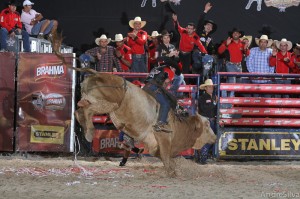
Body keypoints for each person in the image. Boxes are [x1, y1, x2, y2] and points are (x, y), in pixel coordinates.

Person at [143, 66, 177, 132]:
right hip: (153, 88)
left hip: (146, 87)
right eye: (174, 69)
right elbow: (166, 81)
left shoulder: (156, 68)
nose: (174, 71)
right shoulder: (168, 71)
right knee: (165, 104)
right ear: (171, 67)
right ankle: (161, 123)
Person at [218, 28, 250, 97]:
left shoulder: (242, 43)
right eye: (234, 33)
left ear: (239, 34)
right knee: (232, 82)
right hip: (230, 64)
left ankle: (227, 97)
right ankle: (230, 100)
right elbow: (220, 51)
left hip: (239, 65)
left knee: (237, 83)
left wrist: (246, 48)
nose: (235, 34)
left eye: (237, 33)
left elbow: (247, 54)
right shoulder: (227, 42)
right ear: (232, 34)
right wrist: (226, 44)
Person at [155, 30, 184, 96]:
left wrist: (176, 56)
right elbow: (157, 58)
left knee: (181, 79)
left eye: (168, 37)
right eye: (165, 38)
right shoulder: (158, 47)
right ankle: (172, 94)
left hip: (172, 68)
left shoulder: (172, 47)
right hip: (163, 69)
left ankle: (173, 94)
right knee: (180, 78)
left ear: (170, 38)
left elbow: (176, 60)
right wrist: (168, 55)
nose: (166, 39)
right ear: (162, 39)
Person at [196, 79, 217, 164]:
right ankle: (203, 157)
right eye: (209, 87)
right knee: (209, 139)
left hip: (210, 120)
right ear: (205, 88)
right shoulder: (203, 98)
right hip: (206, 120)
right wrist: (214, 103)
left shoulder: (212, 97)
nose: (211, 88)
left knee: (210, 138)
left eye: (211, 87)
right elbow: (205, 109)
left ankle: (203, 156)